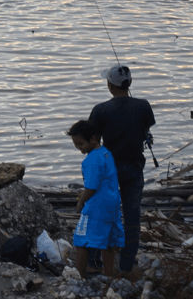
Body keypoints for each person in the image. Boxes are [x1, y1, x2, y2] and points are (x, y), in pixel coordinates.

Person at [89, 64, 156, 278]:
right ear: (130, 84)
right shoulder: (143, 106)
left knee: (101, 212)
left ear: (110, 85)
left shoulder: (100, 110)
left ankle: (94, 260)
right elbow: (146, 130)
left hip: (109, 169)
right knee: (132, 216)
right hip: (134, 167)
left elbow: (92, 142)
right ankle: (126, 264)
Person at [68, 119, 123, 278]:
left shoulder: (91, 160)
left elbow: (91, 187)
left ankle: (79, 276)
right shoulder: (106, 153)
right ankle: (109, 273)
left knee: (81, 240)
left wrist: (81, 201)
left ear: (93, 139)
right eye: (76, 145)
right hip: (111, 203)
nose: (79, 149)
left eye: (81, 144)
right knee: (108, 241)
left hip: (96, 206)